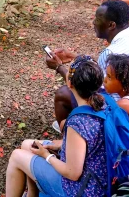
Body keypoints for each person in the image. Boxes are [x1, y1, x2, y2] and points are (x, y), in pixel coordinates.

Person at [46, 0, 129, 128]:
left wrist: (59, 67)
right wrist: (73, 57)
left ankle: (69, 132)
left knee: (63, 93)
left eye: (98, 19)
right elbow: (112, 65)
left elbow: (88, 89)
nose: (94, 22)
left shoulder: (110, 52)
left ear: (111, 25)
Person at [6, 56, 107, 197]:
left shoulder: (78, 122)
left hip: (81, 189)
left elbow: (73, 173)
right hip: (98, 176)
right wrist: (59, 146)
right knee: (27, 145)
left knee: (17, 156)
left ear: (69, 83)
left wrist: (47, 156)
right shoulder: (105, 104)